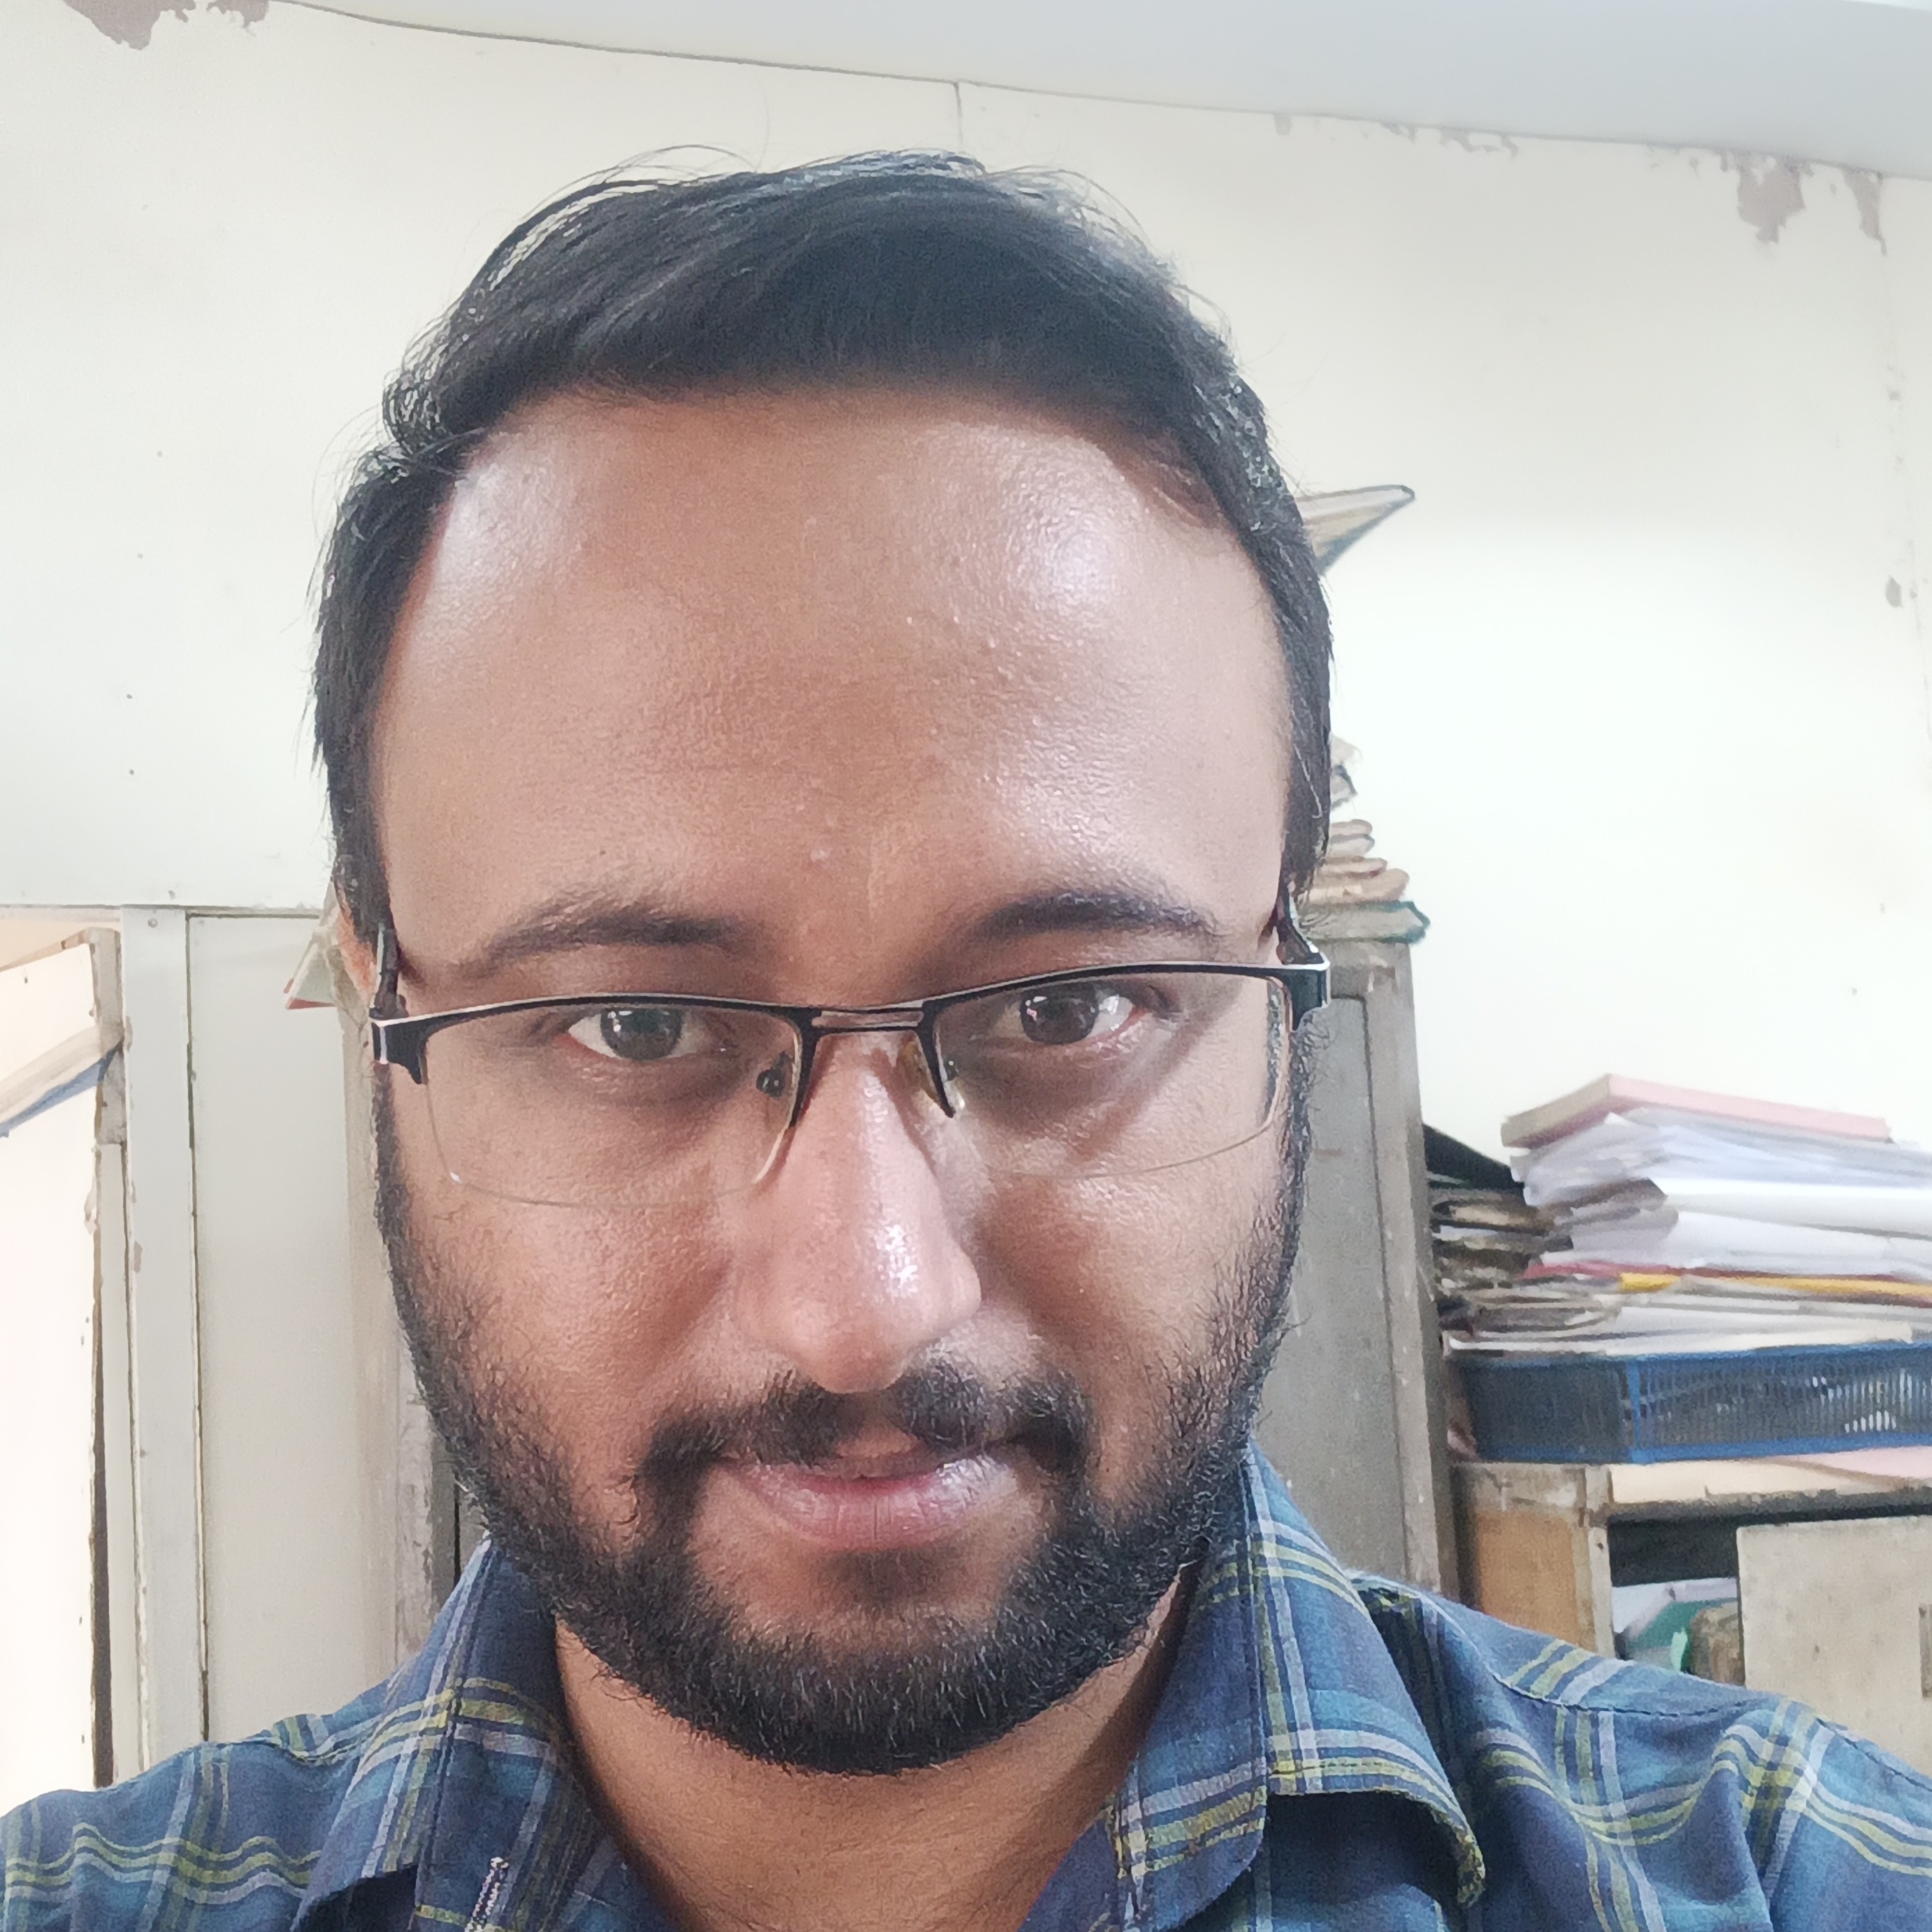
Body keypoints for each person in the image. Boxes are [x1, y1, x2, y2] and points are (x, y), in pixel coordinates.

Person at [6, 154, 1930, 1932]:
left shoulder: (1793, 1879)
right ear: (384, 1015)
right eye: (637, 1022)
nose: (867, 1306)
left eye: (1065, 1006)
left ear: (1290, 991)